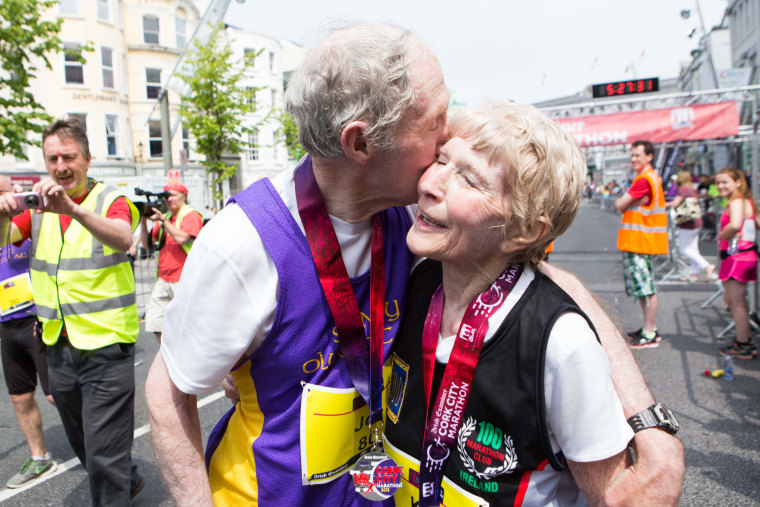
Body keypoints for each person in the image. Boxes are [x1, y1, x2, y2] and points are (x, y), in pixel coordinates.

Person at [146, 23, 684, 506]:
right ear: (361, 143)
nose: (448, 135)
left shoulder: (410, 221)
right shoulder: (242, 245)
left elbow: (539, 281)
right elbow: (170, 390)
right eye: (436, 124)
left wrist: (647, 423)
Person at [384, 101, 633, 506]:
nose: (430, 184)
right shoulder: (413, 280)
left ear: (522, 231)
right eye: (442, 160)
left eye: (468, 179)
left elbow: (614, 497)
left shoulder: (562, 342)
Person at [0, 118, 144, 505]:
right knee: (84, 439)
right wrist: (2, 213)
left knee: (103, 451)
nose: (60, 166)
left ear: (87, 159)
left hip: (106, 345)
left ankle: (115, 482)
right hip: (58, 345)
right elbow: (4, 240)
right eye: (52, 158)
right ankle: (124, 477)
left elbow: (122, 237)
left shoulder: (111, 199)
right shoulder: (38, 209)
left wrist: (72, 210)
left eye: (69, 157)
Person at [0, 175, 57, 489]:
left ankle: (101, 449)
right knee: (20, 398)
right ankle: (40, 458)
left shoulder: (26, 220)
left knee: (56, 394)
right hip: (7, 324)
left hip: (36, 319)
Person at [614, 140, 668, 349]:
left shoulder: (644, 180)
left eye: (637, 155)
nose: (633, 159)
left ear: (649, 156)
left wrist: (625, 202)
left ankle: (650, 331)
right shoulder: (649, 178)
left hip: (640, 241)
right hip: (640, 241)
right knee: (643, 288)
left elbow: (619, 204)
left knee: (645, 288)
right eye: (632, 155)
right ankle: (648, 328)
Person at [142, 182, 202, 342]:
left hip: (183, 279)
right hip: (163, 279)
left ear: (184, 196)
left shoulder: (191, 215)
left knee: (187, 326)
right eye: (166, 196)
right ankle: (166, 359)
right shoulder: (166, 218)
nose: (169, 199)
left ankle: (186, 358)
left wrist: (163, 221)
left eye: (172, 195)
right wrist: (143, 219)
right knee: (156, 323)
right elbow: (147, 245)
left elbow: (182, 238)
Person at [715, 167, 759, 360]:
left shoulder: (737, 201)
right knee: (734, 301)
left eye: (725, 182)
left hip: (737, 256)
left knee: (737, 303)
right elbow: (756, 222)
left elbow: (733, 225)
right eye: (718, 183)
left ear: (738, 182)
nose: (720, 186)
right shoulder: (745, 201)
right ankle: (743, 342)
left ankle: (744, 345)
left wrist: (723, 234)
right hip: (740, 254)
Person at [664, 169, 716, 282]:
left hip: (687, 222)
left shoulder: (682, 190)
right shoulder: (692, 189)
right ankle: (694, 273)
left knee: (683, 249)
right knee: (693, 248)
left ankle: (706, 266)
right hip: (696, 220)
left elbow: (675, 203)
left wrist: (662, 204)